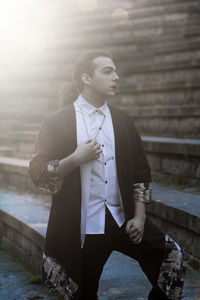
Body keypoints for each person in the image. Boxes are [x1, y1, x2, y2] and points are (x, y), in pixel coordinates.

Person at [29, 50, 185, 300]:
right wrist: (75, 158)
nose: (117, 77)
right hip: (82, 227)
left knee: (172, 256)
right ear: (86, 78)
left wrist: (141, 218)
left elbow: (140, 172)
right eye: (107, 71)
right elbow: (37, 172)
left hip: (123, 220)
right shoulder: (58, 121)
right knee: (84, 291)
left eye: (116, 70)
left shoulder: (122, 119)